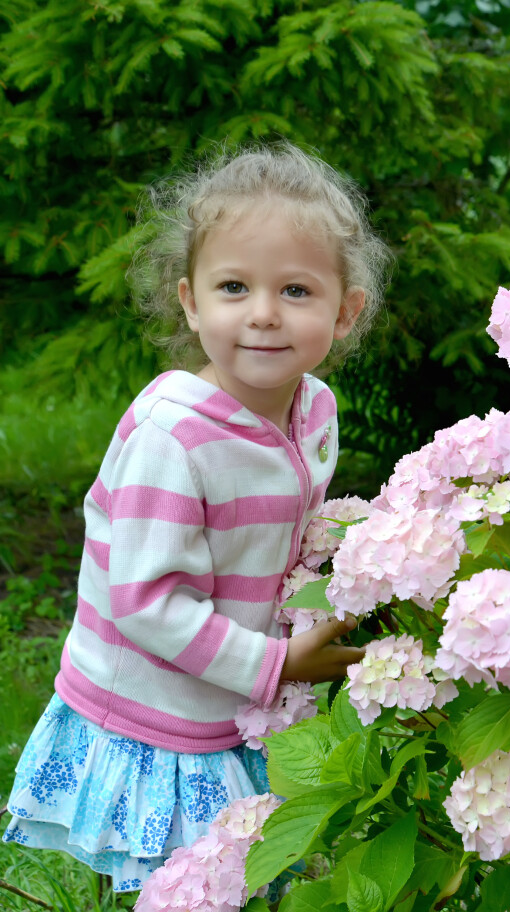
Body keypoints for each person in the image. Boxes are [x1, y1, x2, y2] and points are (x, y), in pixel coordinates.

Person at [2, 142, 392, 892]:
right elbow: (146, 602)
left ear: (346, 312)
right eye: (235, 287)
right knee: (186, 887)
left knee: (244, 876)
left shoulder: (315, 410)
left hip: (230, 688)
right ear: (191, 300)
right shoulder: (173, 438)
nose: (264, 315)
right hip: (154, 707)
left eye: (297, 291)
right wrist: (277, 664)